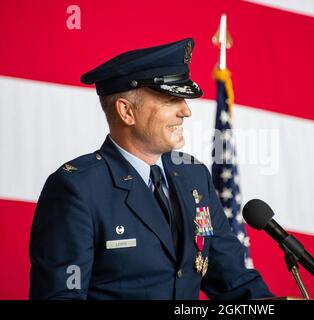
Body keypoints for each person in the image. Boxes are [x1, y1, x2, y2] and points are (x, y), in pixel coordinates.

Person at [29, 38, 273, 300]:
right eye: (171, 99)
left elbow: (234, 282)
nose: (186, 111)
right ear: (126, 112)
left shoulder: (194, 176)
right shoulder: (77, 188)